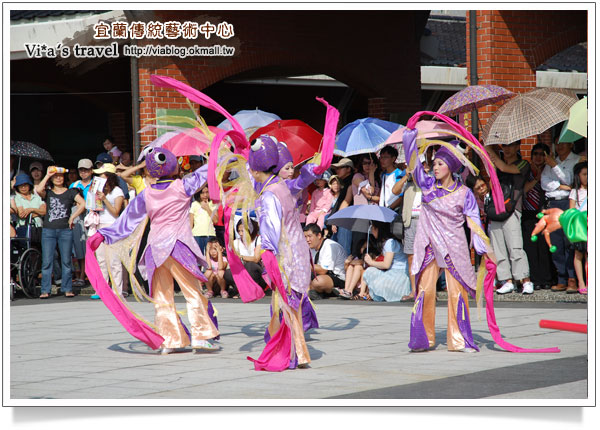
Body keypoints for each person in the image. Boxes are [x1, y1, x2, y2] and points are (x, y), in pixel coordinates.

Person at [87, 147, 219, 354]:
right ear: (174, 166)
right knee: (193, 292)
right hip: (178, 246)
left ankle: (170, 339)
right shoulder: (182, 186)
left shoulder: (146, 194)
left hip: (155, 250)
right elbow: (206, 173)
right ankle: (200, 336)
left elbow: (125, 221)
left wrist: (103, 235)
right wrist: (216, 156)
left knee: (162, 296)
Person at [401, 130, 495, 353]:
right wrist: (409, 140)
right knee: (425, 289)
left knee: (457, 292)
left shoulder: (465, 193)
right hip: (429, 242)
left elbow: (473, 222)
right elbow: (414, 164)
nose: (435, 167)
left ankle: (459, 340)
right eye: (434, 163)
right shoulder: (427, 186)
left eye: (440, 163)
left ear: (451, 167)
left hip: (455, 244)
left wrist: (483, 247)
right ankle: (424, 339)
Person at [485, 140, 534, 294]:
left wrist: (489, 149)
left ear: (517, 147)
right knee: (498, 247)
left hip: (513, 210)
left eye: (511, 145)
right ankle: (506, 280)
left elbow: (504, 167)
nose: (507, 149)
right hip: (496, 209)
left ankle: (525, 280)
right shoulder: (497, 166)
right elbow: (494, 174)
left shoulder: (523, 164)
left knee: (515, 246)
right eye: (504, 146)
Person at [35, 166, 86, 299]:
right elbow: (38, 189)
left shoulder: (70, 192)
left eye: (60, 176)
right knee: (47, 261)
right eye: (55, 176)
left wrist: (72, 217)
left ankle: (67, 288)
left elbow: (83, 203)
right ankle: (45, 290)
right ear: (52, 178)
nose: (58, 178)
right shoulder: (48, 192)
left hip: (65, 230)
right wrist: (47, 175)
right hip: (48, 230)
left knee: (66, 261)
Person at [540, 137, 580, 293]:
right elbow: (544, 183)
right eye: (558, 143)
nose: (560, 146)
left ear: (571, 144)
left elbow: (571, 180)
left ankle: (572, 278)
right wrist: (562, 185)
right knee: (555, 242)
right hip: (553, 204)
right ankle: (561, 278)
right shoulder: (552, 161)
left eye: (564, 142)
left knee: (569, 241)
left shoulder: (576, 160)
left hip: (568, 202)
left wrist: (555, 166)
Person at [521, 143, 555, 290]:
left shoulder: (551, 170)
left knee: (545, 247)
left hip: (546, 213)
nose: (538, 157)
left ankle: (548, 279)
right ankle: (535, 278)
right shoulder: (526, 170)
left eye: (542, 154)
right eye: (535, 154)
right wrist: (536, 178)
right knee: (531, 247)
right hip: (528, 213)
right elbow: (523, 190)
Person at [90, 163, 126, 297]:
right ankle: (102, 289)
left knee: (114, 260)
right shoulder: (99, 190)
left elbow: (116, 212)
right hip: (100, 225)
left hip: (112, 227)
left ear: (109, 176)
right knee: (101, 259)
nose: (99, 176)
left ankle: (118, 290)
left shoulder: (117, 191)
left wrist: (104, 199)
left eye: (102, 174)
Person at [358, 221, 411, 302]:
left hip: (399, 274)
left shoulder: (390, 242)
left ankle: (367, 294)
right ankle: (365, 294)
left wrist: (371, 262)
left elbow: (386, 265)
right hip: (395, 272)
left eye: (373, 228)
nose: (372, 231)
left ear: (378, 229)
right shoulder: (388, 242)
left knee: (370, 272)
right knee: (370, 271)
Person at [69, 158, 95, 287]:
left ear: (91, 170)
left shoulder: (96, 184)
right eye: (81, 170)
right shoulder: (73, 185)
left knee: (90, 247)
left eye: (86, 170)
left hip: (92, 217)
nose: (84, 172)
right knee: (78, 248)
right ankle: (80, 274)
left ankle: (89, 275)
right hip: (77, 218)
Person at [304, 223, 348, 300]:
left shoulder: (330, 246)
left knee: (318, 282)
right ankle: (311, 293)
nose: (307, 240)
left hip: (337, 278)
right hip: (321, 275)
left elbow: (323, 270)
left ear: (319, 235)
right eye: (305, 237)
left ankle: (322, 291)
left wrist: (304, 264)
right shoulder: (312, 248)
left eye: (310, 236)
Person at [224, 219, 266, 297]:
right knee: (227, 273)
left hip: (257, 273)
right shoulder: (236, 242)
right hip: (242, 271)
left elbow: (256, 258)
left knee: (250, 265)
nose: (240, 233)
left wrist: (241, 257)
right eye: (239, 231)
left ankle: (251, 290)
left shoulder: (258, 240)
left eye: (243, 231)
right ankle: (242, 289)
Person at [329, 157, 355, 254]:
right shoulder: (345, 183)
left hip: (346, 220)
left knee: (343, 251)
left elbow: (346, 202)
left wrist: (336, 218)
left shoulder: (352, 181)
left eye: (340, 168)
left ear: (348, 169)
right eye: (336, 168)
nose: (337, 170)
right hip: (341, 219)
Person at [569, 161, 587, 294]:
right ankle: (581, 282)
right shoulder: (575, 192)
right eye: (584, 174)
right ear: (578, 176)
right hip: (580, 227)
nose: (587, 177)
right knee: (578, 253)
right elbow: (571, 211)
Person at [189, 183, 218, 257]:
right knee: (198, 257)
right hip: (197, 235)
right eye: (202, 193)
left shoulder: (212, 204)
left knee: (211, 257)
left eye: (207, 192)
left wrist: (207, 208)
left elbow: (216, 220)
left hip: (210, 235)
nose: (205, 195)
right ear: (198, 193)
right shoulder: (194, 204)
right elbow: (190, 223)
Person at [378, 146, 407, 210]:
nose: (382, 160)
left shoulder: (399, 174)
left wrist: (390, 208)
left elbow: (401, 196)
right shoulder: (383, 174)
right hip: (383, 210)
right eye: (381, 157)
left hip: (392, 211)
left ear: (393, 158)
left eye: (385, 157)